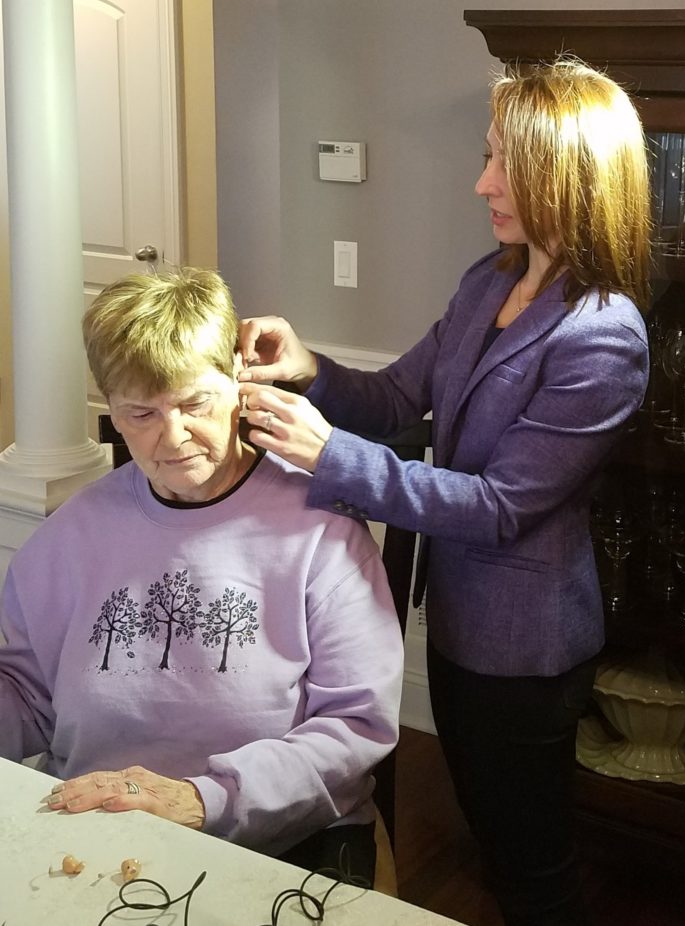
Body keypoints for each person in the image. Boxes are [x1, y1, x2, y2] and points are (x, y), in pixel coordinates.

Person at [237, 59, 651, 925]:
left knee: (533, 869)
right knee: (495, 838)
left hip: (527, 649)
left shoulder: (604, 338)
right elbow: (397, 396)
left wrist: (329, 455)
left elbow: (499, 507)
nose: (482, 183)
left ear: (566, 178)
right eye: (487, 155)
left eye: (505, 163)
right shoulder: (488, 282)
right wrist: (308, 366)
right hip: (460, 624)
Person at [0, 268, 403, 880]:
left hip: (273, 841)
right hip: (95, 832)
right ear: (110, 409)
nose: (173, 437)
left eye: (195, 404)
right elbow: (26, 694)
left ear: (240, 382)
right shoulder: (71, 534)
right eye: (141, 413)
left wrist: (201, 799)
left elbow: (355, 725)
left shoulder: (322, 530)